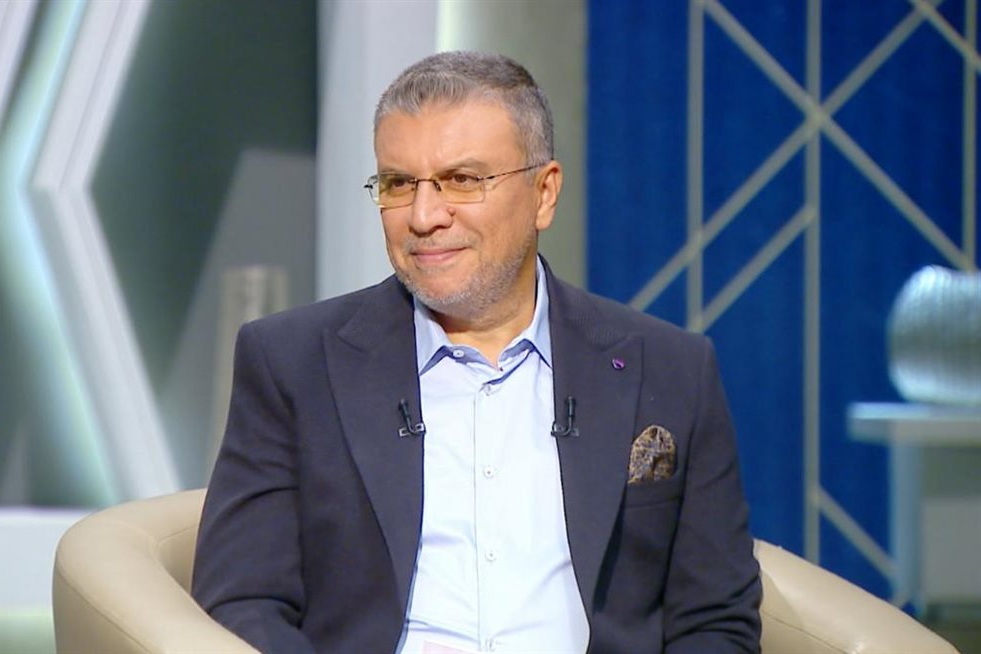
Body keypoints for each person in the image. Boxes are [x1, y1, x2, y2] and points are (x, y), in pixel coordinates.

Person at [193, 51, 761, 654]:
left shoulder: (673, 370)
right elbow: (241, 602)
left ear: (544, 193)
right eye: (399, 184)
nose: (423, 216)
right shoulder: (291, 363)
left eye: (462, 180)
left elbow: (715, 622)